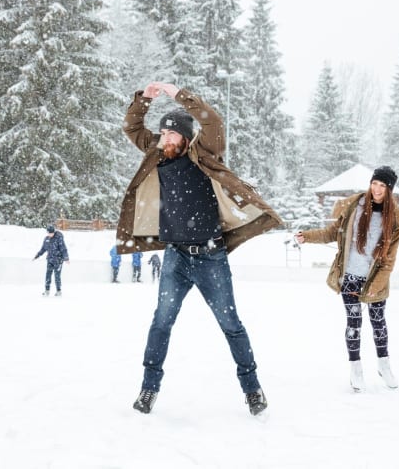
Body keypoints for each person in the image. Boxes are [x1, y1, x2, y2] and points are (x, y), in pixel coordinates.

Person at [118, 81, 281, 416]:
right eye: (161, 134)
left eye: (170, 134)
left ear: (184, 137)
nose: (163, 139)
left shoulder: (202, 155)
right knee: (161, 322)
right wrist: (145, 99)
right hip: (176, 257)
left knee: (231, 324)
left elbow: (213, 122)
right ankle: (148, 390)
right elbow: (132, 126)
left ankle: (252, 390)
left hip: (211, 257)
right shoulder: (157, 154)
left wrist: (176, 92)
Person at [296, 166, 399, 392]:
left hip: (374, 280)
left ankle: (383, 364)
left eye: (383, 186)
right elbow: (331, 233)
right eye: (375, 184)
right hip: (349, 276)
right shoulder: (354, 207)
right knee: (354, 323)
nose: (377, 189)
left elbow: (388, 261)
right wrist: (307, 236)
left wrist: (375, 286)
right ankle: (356, 368)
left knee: (378, 322)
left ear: (389, 190)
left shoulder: (394, 220)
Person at [33, 225, 69, 296]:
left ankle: (58, 291)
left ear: (54, 232)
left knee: (57, 276)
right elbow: (43, 249)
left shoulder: (59, 238)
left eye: (51, 233)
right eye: (49, 233)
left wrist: (66, 258)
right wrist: (37, 255)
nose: (50, 234)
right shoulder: (46, 239)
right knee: (48, 275)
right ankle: (47, 290)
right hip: (50, 260)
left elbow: (63, 249)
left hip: (58, 260)